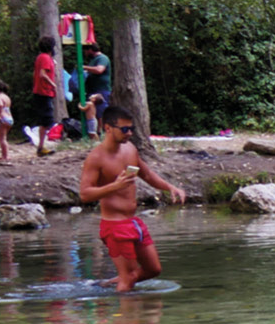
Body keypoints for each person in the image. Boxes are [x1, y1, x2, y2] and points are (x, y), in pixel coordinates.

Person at [79, 105, 186, 291]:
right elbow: (84, 194)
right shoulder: (96, 158)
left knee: (153, 270)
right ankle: (125, 305)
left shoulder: (130, 149)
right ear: (107, 128)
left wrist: (169, 187)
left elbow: (147, 174)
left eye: (132, 129)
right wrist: (115, 186)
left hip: (133, 222)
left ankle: (111, 285)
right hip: (114, 226)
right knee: (128, 277)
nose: (129, 133)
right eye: (124, 129)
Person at [31, 35, 60, 156]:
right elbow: (42, 74)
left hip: (41, 91)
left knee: (45, 120)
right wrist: (53, 84)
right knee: (47, 120)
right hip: (44, 92)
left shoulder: (41, 57)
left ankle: (41, 146)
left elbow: (36, 73)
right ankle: (41, 147)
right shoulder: (45, 58)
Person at [82, 42, 110, 136]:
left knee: (100, 112)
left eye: (85, 51)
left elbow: (99, 70)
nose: (85, 53)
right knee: (92, 112)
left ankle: (101, 132)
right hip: (92, 90)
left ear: (90, 50)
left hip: (101, 90)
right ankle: (94, 133)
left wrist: (84, 67)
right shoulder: (93, 60)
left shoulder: (102, 58)